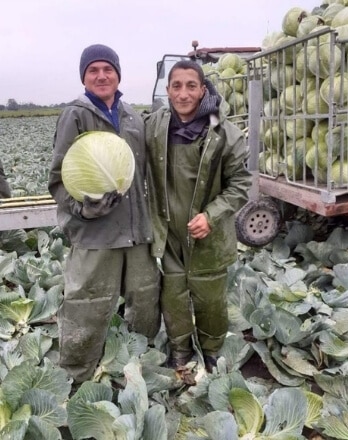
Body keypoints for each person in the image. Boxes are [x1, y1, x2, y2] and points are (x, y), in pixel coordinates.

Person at [48, 44, 160, 384]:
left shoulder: (132, 116)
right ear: (84, 77)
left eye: (107, 69)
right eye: (93, 70)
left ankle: (139, 370)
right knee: (87, 303)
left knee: (144, 300)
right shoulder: (76, 115)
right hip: (95, 233)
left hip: (136, 230)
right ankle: (76, 375)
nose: (101, 75)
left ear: (118, 74)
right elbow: (58, 178)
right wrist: (82, 207)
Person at [145, 60, 252, 373]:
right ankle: (180, 350)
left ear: (203, 90)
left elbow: (241, 184)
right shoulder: (155, 128)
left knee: (211, 300)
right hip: (170, 234)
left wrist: (212, 215)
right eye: (176, 86)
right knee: (173, 296)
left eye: (191, 86)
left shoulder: (225, 135)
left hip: (208, 235)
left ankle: (211, 350)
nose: (183, 93)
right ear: (167, 91)